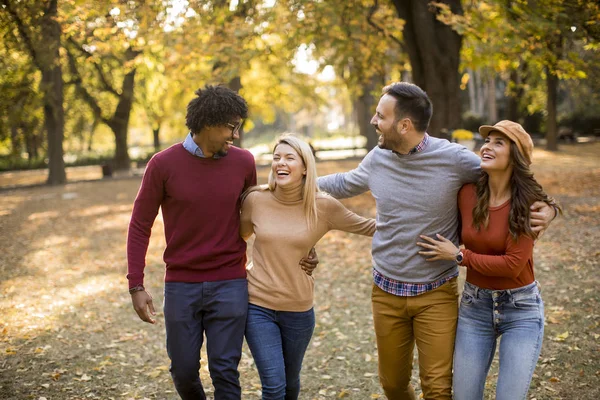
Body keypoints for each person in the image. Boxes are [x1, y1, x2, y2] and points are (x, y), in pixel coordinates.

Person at [317, 82, 557, 400]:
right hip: (386, 290)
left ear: (404, 125)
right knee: (392, 385)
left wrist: (550, 208)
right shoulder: (378, 158)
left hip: (437, 291)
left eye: (380, 115)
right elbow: (345, 182)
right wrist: (298, 179)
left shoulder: (454, 160)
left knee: (439, 388)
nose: (374, 121)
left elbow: (515, 174)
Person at [127, 85, 315, 400]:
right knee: (184, 370)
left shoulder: (242, 162)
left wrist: (305, 244)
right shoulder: (162, 164)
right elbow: (139, 225)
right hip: (181, 284)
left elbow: (261, 215)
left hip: (230, 281)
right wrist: (136, 284)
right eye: (231, 126)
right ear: (209, 123)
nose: (236, 134)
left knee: (225, 370)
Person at [417, 120, 560, 400]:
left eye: (498, 142)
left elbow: (512, 265)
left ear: (515, 155)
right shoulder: (467, 193)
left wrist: (459, 255)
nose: (487, 147)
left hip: (521, 309)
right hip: (475, 306)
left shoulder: (528, 203)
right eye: (487, 141)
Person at [240, 134, 376, 399]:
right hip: (257, 306)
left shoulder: (323, 206)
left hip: (299, 311)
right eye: (276, 157)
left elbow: (370, 227)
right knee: (274, 386)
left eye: (290, 158)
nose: (281, 163)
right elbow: (238, 238)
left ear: (305, 167)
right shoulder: (255, 200)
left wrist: (420, 223)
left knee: (290, 383)